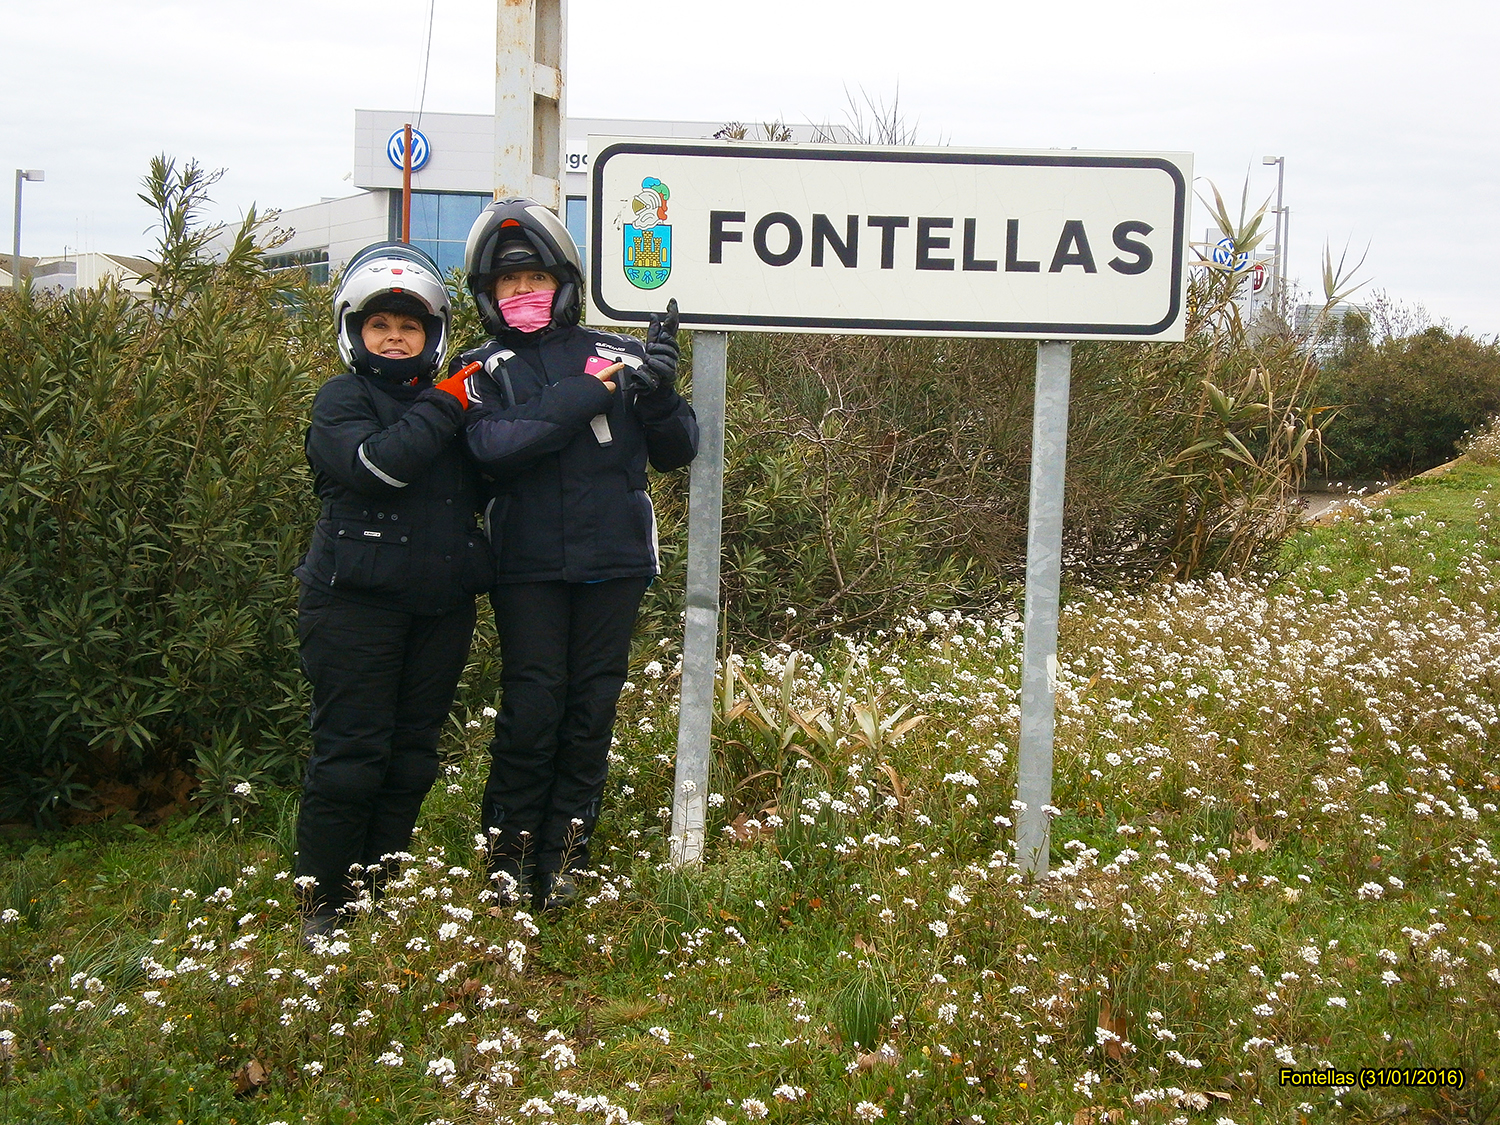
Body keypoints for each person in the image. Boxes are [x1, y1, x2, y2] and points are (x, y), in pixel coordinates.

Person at [452, 198, 697, 912]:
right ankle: (508, 861)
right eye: (506, 283)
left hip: (614, 562)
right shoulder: (477, 369)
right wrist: (584, 393)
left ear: (564, 280)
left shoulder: (620, 352)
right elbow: (494, 446)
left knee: (591, 711)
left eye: (532, 277)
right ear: (486, 295)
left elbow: (678, 450)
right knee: (532, 708)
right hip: (526, 566)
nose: (521, 292)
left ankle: (563, 859)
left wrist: (657, 394)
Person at [292, 241, 493, 941]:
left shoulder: (461, 400)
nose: (396, 337)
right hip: (352, 608)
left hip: (439, 610)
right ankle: (323, 905)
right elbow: (379, 467)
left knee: (411, 759)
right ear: (355, 331)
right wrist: (449, 400)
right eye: (381, 325)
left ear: (432, 335)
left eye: (410, 326)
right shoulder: (341, 399)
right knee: (350, 757)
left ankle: (377, 891)